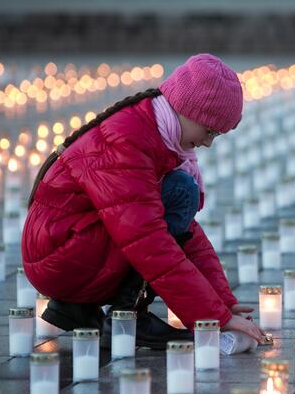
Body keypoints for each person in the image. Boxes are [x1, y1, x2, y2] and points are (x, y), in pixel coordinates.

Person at [21, 54, 266, 349]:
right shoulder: (127, 142)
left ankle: (76, 309)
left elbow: (186, 233)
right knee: (179, 194)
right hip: (61, 256)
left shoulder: (152, 132)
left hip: (72, 245)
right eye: (209, 130)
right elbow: (148, 240)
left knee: (178, 193)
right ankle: (128, 315)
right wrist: (213, 316)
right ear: (187, 110)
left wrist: (223, 301)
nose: (208, 142)